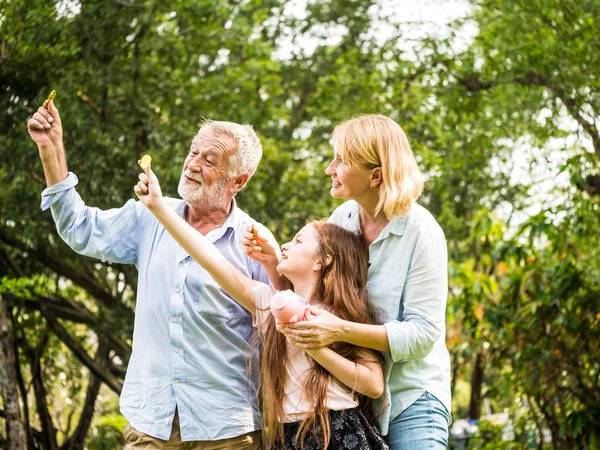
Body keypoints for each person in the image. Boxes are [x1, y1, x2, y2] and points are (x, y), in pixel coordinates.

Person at [27, 99, 270, 449]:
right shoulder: (148, 216)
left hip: (227, 429)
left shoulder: (256, 242)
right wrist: (51, 149)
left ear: (239, 181)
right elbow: (80, 228)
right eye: (193, 152)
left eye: (209, 160)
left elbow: (278, 335)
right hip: (151, 422)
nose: (192, 165)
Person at [133, 164, 390, 450]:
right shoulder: (269, 304)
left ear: (323, 260)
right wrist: (158, 207)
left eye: (299, 240)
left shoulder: (340, 315)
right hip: (285, 435)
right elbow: (209, 258)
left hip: (338, 431)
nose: (286, 245)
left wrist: (317, 348)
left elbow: (374, 384)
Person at [244, 115, 452, 449]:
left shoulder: (421, 233)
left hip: (411, 400)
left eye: (341, 161)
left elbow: (423, 334)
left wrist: (340, 331)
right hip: (359, 402)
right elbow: (313, 303)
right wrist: (272, 264)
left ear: (375, 175)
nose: (330, 168)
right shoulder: (342, 220)